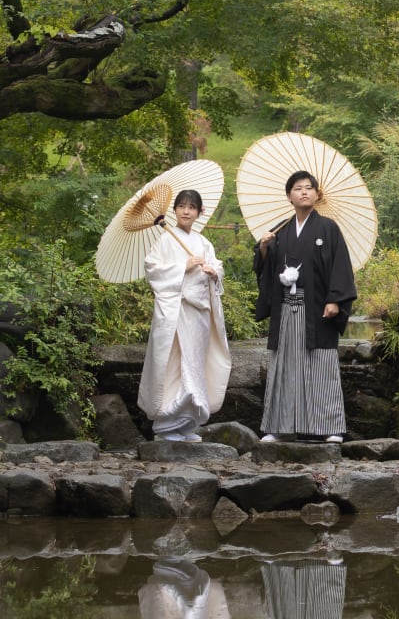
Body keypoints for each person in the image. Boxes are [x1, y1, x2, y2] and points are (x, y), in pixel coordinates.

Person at [254, 170, 356, 443]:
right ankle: (279, 426)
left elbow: (340, 266)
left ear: (317, 194)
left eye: (309, 187)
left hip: (318, 310)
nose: (304, 192)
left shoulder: (328, 228)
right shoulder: (281, 230)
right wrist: (263, 248)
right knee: (284, 366)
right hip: (286, 310)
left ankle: (330, 427)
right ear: (289, 196)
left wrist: (335, 299)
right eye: (298, 188)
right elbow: (266, 268)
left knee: (321, 365)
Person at [139, 189, 231, 442]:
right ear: (175, 210)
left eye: (192, 207)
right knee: (175, 363)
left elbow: (217, 266)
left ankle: (187, 422)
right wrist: (183, 266)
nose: (186, 211)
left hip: (199, 313)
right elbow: (152, 269)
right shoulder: (165, 240)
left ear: (199, 212)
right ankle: (166, 424)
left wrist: (214, 272)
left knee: (195, 364)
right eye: (182, 206)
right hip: (177, 311)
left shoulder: (203, 242)